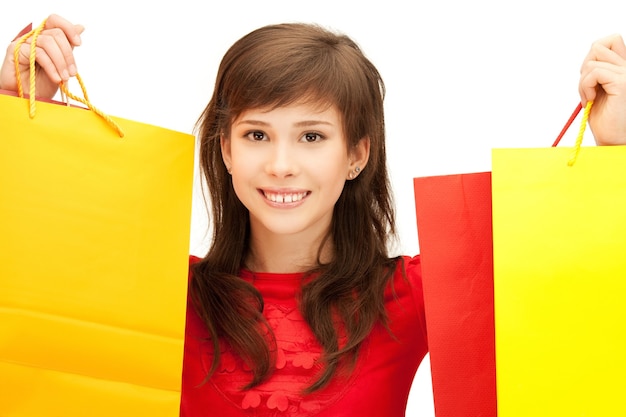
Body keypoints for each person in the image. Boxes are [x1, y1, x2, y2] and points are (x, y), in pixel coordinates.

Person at [1, 14, 625, 417]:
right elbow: (28, 264)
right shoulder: (159, 293)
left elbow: (571, 280)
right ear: (223, 147)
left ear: (356, 154)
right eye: (255, 135)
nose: (280, 165)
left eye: (311, 137)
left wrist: (614, 147)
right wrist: (16, 110)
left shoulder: (407, 295)